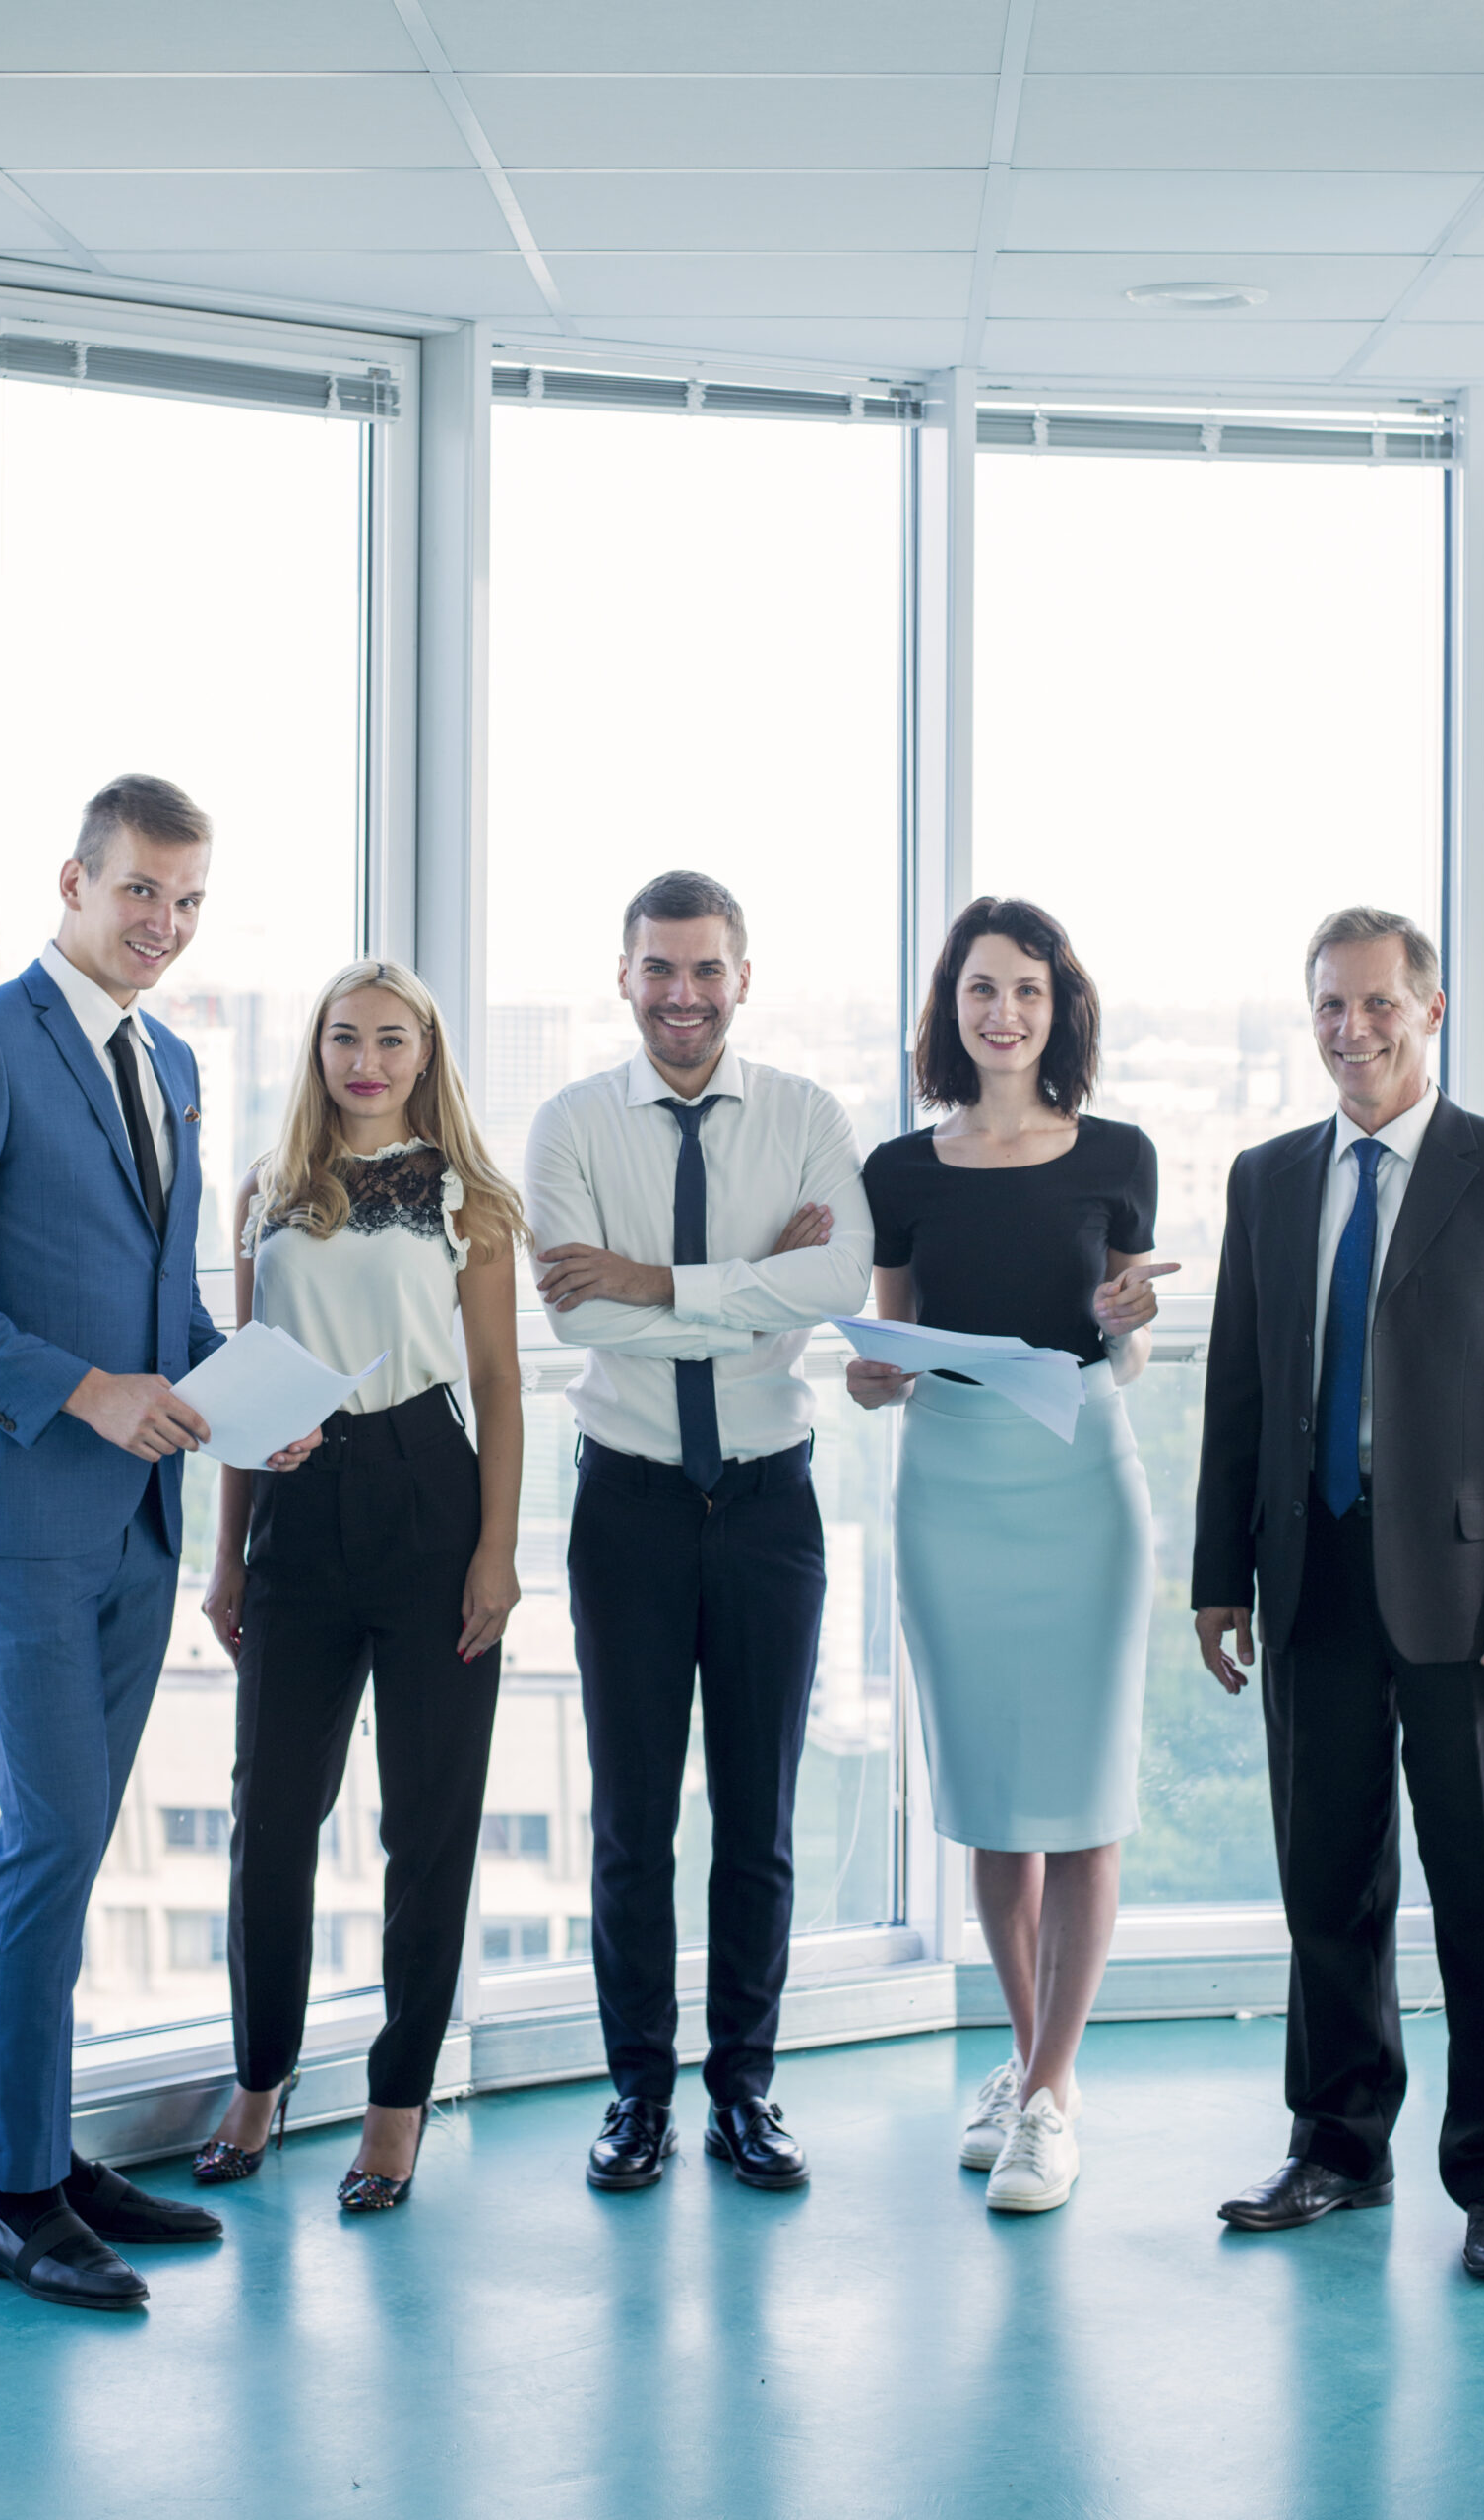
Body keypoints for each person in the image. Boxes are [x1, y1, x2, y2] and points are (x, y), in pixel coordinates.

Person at [0, 774, 320, 2312]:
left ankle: (51, 2156)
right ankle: (10, 2193)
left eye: (188, 903)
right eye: (140, 894)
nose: (164, 928)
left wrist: (248, 1399)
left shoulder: (173, 1060)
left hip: (136, 1517)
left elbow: (161, 1310)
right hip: (23, 1514)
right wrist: (83, 1392)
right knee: (50, 1838)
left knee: (71, 1844)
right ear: (73, 881)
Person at [1193, 906, 1484, 2282]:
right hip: (1308, 1575)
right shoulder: (1263, 1179)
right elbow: (1237, 1396)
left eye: (1375, 1004)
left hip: (1476, 1595)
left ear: (1431, 1011)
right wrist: (1216, 1576)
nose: (1349, 1030)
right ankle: (1337, 2143)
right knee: (1326, 1882)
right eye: (1326, 1006)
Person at [525, 872, 872, 2193]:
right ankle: (635, 2096)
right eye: (659, 970)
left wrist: (658, 1281)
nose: (683, 996)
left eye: (706, 971)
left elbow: (833, 1287)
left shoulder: (802, 1117)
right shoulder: (569, 1125)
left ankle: (744, 2090)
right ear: (623, 978)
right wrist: (750, 1292)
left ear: (742, 977)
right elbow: (576, 1318)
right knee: (630, 1820)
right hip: (626, 1501)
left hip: (769, 1505)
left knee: (756, 1818)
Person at [849, 897, 1170, 2214]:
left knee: (1082, 1800)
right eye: (981, 990)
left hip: (1081, 1478)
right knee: (990, 1801)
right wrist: (872, 1379)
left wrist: (1134, 1313)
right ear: (951, 1008)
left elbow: (1132, 1347)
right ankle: (1030, 2070)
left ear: (1058, 1007)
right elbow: (890, 1357)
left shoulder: (1119, 1152)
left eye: (1026, 991)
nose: (1003, 1013)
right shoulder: (899, 1171)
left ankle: (1047, 2092)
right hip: (952, 1487)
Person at [192, 959, 525, 2212]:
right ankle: (260, 2077)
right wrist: (227, 1555)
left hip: (433, 1495)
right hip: (294, 1503)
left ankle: (398, 2105)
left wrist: (495, 1551)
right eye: (346, 1037)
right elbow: (245, 1380)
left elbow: (496, 1383)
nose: (368, 1061)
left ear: (428, 1053)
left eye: (393, 1039)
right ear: (316, 1049)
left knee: (425, 1828)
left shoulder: (470, 1200)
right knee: (269, 1820)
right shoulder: (266, 1196)